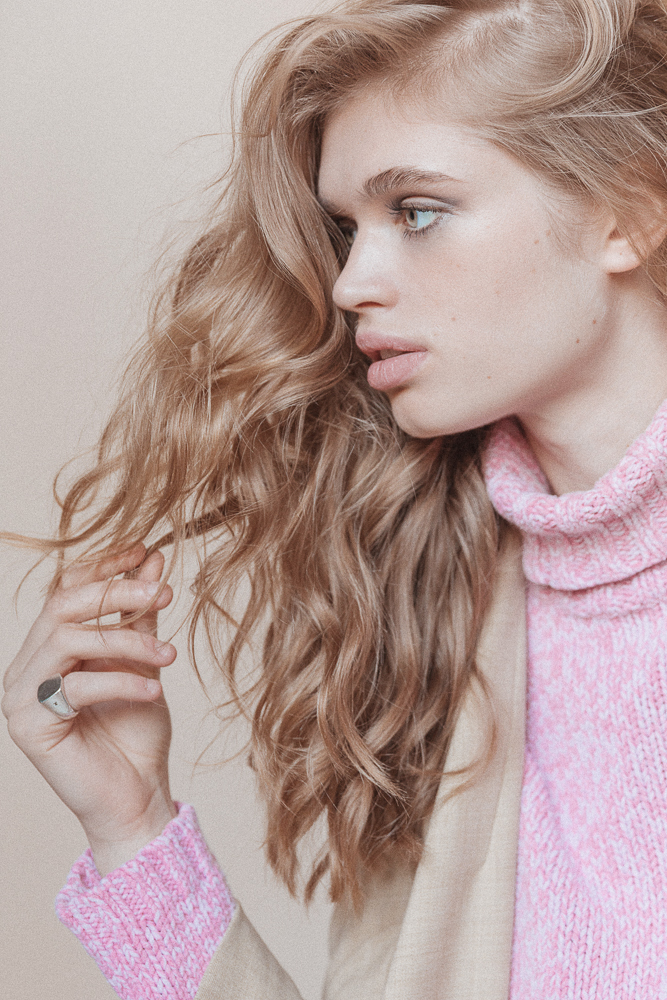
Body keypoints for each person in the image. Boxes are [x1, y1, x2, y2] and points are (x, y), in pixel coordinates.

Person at [4, 0, 667, 995]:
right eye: (347, 229)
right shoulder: (426, 623)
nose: (352, 282)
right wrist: (132, 828)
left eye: (418, 212)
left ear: (629, 212)